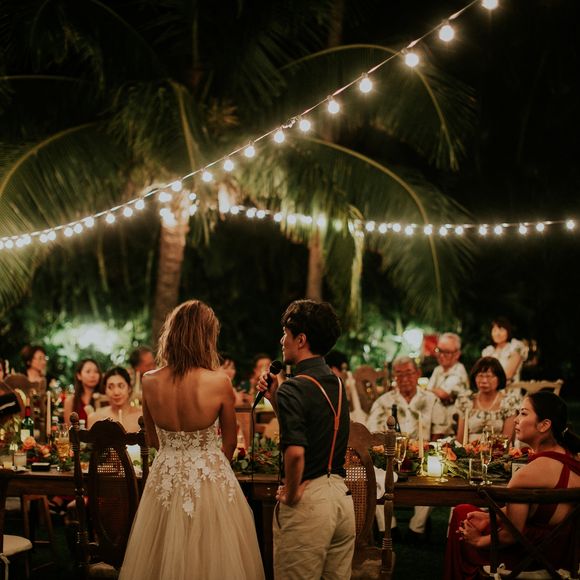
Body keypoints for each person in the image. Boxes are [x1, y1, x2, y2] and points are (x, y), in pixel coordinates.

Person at [119, 300, 264, 580]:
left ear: (171, 334)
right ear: (206, 337)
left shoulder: (149, 380)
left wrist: (174, 455)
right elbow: (230, 442)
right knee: (213, 555)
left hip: (165, 475)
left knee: (160, 555)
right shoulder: (219, 381)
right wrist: (208, 464)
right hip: (209, 476)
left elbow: (152, 437)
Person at [256, 299, 355, 580]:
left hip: (309, 504)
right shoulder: (337, 383)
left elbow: (296, 452)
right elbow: (315, 428)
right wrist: (276, 398)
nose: (282, 340)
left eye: (285, 334)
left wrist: (291, 492)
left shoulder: (295, 388)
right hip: (341, 499)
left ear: (300, 340)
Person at [445, 391, 580, 580]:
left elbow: (511, 535)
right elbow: (539, 510)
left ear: (544, 425)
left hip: (532, 557)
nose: (516, 419)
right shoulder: (573, 456)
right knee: (469, 513)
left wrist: (479, 541)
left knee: (461, 513)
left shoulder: (526, 475)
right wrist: (489, 517)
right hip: (567, 553)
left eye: (523, 413)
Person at [367, 356, 447, 542]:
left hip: (421, 456)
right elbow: (372, 436)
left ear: (418, 374)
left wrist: (427, 451)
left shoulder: (431, 400)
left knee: (434, 473)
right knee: (373, 476)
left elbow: (439, 434)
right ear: (394, 377)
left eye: (409, 373)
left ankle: (417, 528)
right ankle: (387, 527)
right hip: (389, 458)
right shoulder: (383, 402)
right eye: (399, 374)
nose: (404, 378)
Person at [456, 357, 521, 444]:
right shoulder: (465, 401)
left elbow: (507, 439)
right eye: (480, 376)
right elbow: (460, 439)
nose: (484, 381)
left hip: (499, 451)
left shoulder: (509, 402)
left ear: (499, 378)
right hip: (469, 451)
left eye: (489, 376)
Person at [428, 333, 469, 435]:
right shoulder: (438, 369)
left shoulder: (459, 370)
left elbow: (443, 393)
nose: (441, 355)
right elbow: (428, 394)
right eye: (439, 350)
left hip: (452, 428)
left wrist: (427, 390)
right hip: (434, 423)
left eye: (447, 352)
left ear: (457, 354)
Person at [87, 367, 142, 432]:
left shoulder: (142, 417)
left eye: (121, 386)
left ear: (129, 388)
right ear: (105, 390)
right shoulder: (95, 418)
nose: (116, 392)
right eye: (110, 387)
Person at [482, 317, 528, 383]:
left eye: (501, 330)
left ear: (508, 331)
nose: (497, 333)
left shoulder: (516, 346)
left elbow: (508, 374)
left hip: (511, 388)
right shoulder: (488, 351)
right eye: (494, 330)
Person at [63, 359, 103, 425]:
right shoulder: (70, 401)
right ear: (79, 376)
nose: (92, 375)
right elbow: (68, 428)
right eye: (88, 371)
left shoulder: (103, 399)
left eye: (96, 371)